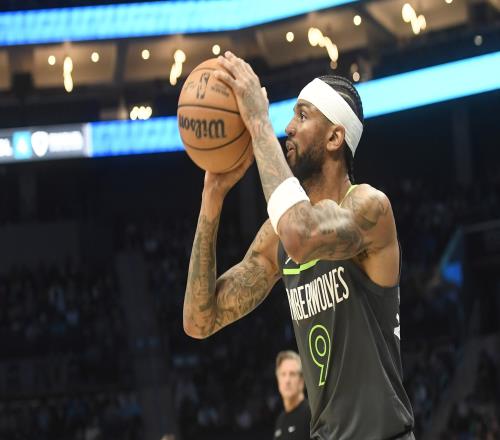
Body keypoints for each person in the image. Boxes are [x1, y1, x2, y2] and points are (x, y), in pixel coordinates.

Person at [183, 51, 415, 439]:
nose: (288, 127)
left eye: (302, 116)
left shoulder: (369, 208)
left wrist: (258, 121)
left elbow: (302, 236)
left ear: (334, 137)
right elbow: (198, 321)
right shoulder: (277, 234)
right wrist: (212, 199)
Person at [274, 350, 311, 440]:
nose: (287, 380)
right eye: (283, 374)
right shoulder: (280, 420)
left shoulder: (312, 414)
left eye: (292, 374)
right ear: (278, 380)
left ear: (301, 381)